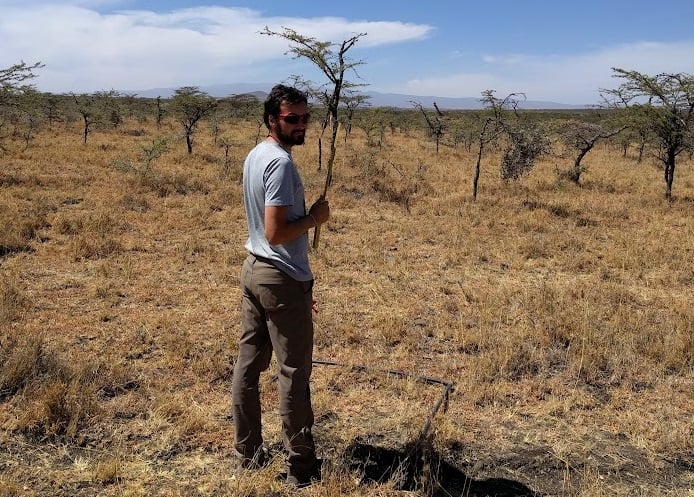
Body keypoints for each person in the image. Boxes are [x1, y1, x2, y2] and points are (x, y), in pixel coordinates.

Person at [231, 84, 329, 487]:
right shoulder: (281, 164)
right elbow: (275, 232)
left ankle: (248, 455)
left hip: (254, 269)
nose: (301, 124)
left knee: (249, 365)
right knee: (293, 372)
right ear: (272, 119)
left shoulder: (256, 154)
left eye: (305, 117)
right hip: (279, 273)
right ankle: (301, 466)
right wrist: (314, 219)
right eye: (292, 119)